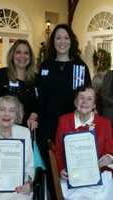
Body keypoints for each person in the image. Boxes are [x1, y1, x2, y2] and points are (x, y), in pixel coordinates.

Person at [37, 24, 91, 159]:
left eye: (66, 38)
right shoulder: (46, 66)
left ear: (71, 41)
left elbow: (86, 97)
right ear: (53, 41)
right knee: (51, 167)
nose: (62, 42)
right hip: (47, 126)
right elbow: (40, 96)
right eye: (58, 38)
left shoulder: (80, 67)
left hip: (72, 125)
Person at [55, 85, 113, 200]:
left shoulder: (104, 123)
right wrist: (61, 168)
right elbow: (58, 150)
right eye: (81, 97)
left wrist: (108, 158)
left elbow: (110, 150)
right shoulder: (64, 121)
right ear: (75, 101)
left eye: (89, 99)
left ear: (94, 105)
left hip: (99, 176)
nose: (85, 102)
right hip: (73, 177)